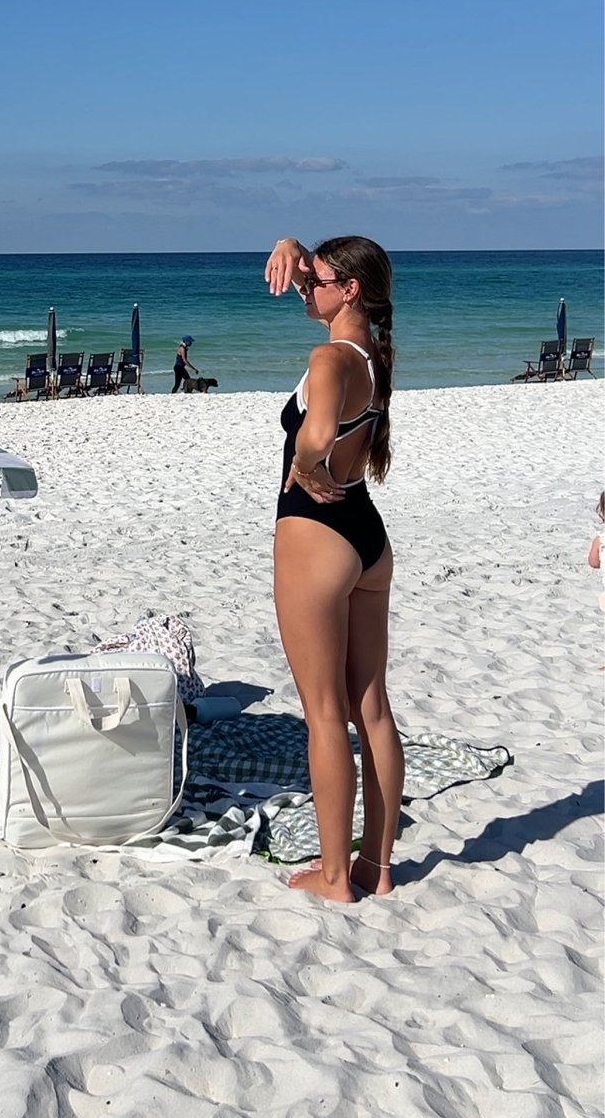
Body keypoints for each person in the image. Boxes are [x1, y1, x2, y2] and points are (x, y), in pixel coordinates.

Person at [263, 234, 404, 902]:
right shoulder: (369, 352)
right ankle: (376, 870)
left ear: (349, 289)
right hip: (367, 537)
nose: (307, 288)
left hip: (316, 537)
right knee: (370, 707)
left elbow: (318, 432)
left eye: (319, 281)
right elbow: (319, 292)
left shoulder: (327, 357)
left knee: (324, 715)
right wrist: (293, 248)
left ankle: (332, 877)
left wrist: (302, 462)